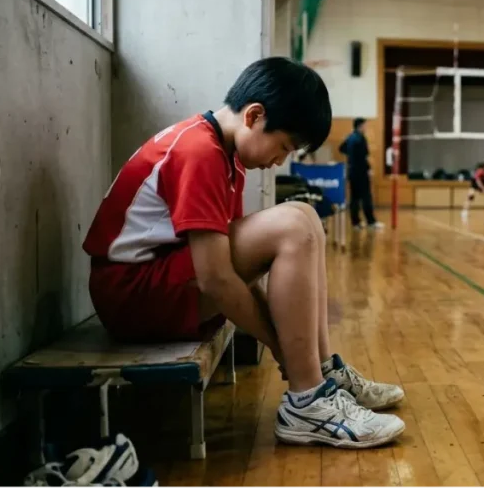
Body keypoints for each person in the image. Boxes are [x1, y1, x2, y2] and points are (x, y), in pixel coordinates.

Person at [83, 58, 405, 449]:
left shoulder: (223, 152)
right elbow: (216, 278)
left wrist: (291, 350)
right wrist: (280, 346)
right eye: (284, 146)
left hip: (154, 282)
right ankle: (308, 400)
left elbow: (237, 273)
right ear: (254, 115)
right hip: (131, 296)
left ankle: (320, 374)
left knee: (305, 218)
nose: (280, 161)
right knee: (295, 223)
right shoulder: (199, 150)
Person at [339, 118, 383, 230]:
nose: (366, 128)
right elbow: (364, 157)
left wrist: (350, 156)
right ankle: (371, 222)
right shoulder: (360, 138)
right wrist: (368, 169)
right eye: (365, 126)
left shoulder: (350, 137)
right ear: (360, 126)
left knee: (354, 198)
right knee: (366, 197)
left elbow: (341, 148)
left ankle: (356, 223)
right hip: (361, 172)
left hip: (352, 172)